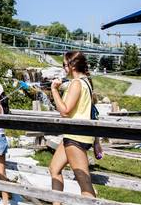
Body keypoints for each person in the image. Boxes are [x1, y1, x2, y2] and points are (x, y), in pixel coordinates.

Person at [49, 51, 103, 205]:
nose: (64, 68)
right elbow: (91, 113)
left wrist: (54, 90)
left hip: (76, 136)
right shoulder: (86, 82)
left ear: (72, 66)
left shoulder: (77, 83)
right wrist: (96, 140)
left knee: (84, 182)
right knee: (54, 169)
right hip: (74, 135)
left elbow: (65, 111)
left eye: (64, 65)